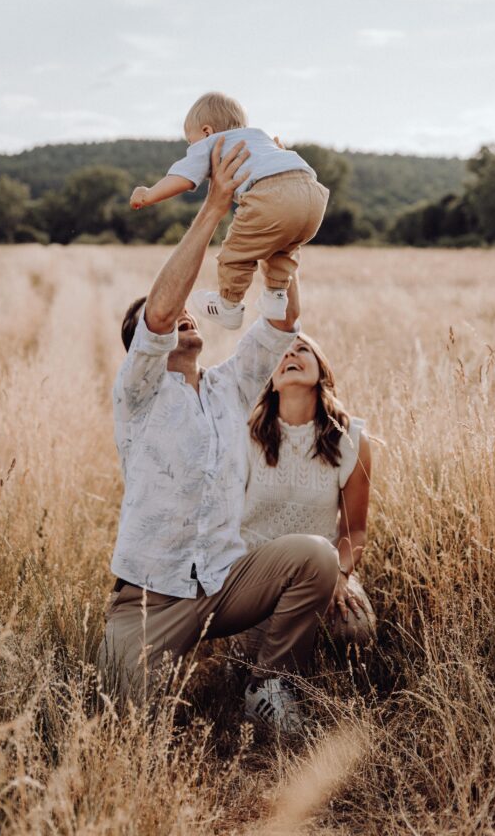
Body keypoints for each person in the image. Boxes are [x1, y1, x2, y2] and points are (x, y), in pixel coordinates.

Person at [98, 136, 339, 735]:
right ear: (139, 347)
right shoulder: (140, 394)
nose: (182, 315)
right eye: (162, 318)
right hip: (152, 595)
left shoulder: (229, 387)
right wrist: (214, 206)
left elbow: (281, 324)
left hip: (226, 582)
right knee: (123, 722)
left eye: (187, 312)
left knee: (314, 557)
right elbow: (158, 313)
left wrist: (279, 237)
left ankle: (268, 687)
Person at [232, 333, 376, 663]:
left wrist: (338, 575)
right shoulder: (245, 436)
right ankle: (254, 669)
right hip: (255, 570)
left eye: (301, 349)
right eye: (281, 353)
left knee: (354, 629)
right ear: (271, 381)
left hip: (317, 570)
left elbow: (355, 531)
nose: (290, 354)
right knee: (255, 653)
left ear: (321, 370)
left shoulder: (350, 440)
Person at [129, 91, 329, 329]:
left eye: (189, 141)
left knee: (236, 250)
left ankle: (228, 305)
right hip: (313, 194)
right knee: (283, 245)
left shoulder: (213, 142)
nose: (191, 147)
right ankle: (276, 296)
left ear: (206, 131)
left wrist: (148, 194)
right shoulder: (260, 137)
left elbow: (182, 178)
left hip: (272, 196)